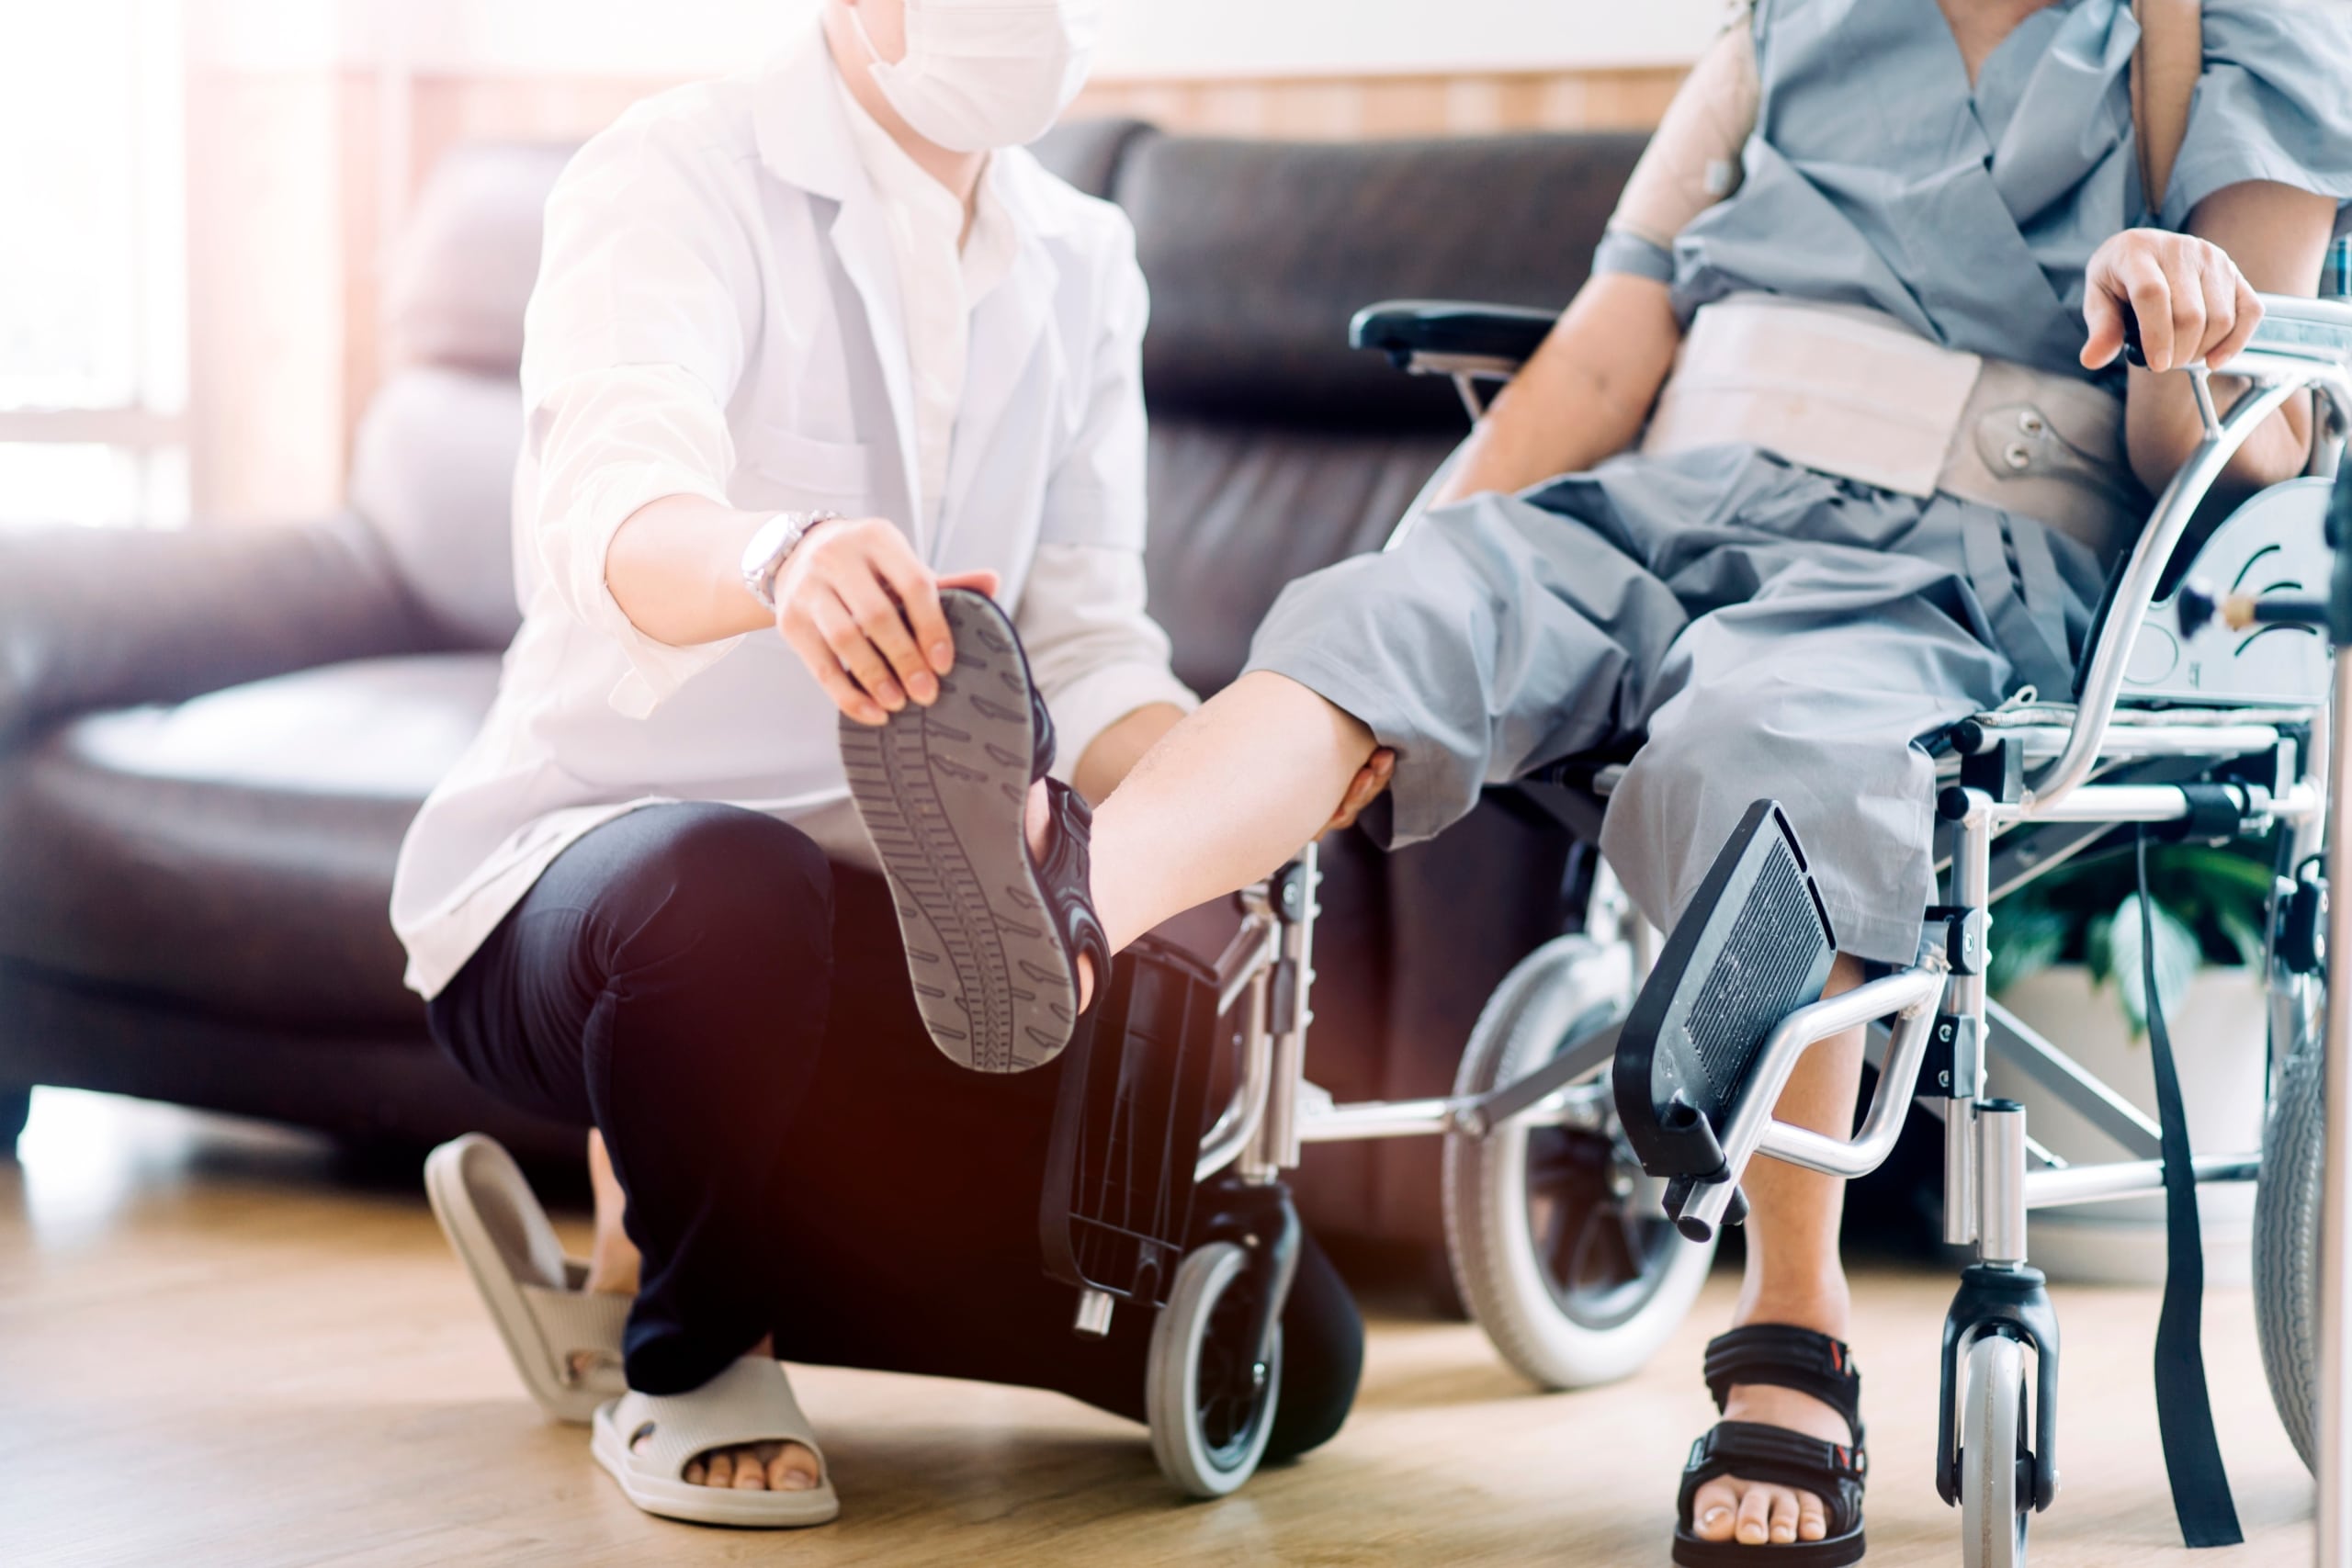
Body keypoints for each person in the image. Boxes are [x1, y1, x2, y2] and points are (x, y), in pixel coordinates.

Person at [848, 1, 2352, 1562]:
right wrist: (1425, 573)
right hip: (1660, 499)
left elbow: (2244, 437)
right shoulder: (1782, 25)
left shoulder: (2225, 32)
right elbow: (1602, 355)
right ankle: (1069, 907)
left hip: (1944, 562)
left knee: (1773, 743)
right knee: (1383, 618)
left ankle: (1794, 1322)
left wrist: (2193, 322)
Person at [391, 0, 1373, 1529]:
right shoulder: (673, 169)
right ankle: (691, 1360)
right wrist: (775, 560)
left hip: (916, 943)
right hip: (608, 894)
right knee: (729, 892)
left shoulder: (1084, 259)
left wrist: (1234, 774)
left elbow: (1095, 637)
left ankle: (669, 1228)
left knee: (1292, 1368)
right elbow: (607, 508)